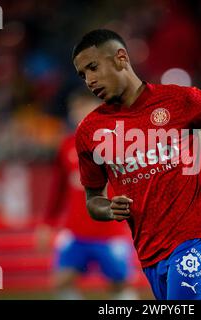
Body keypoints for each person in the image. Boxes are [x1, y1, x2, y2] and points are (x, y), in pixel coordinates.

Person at [72, 29, 201, 300]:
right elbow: (93, 198)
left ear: (120, 58)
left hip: (200, 236)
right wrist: (108, 208)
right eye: (83, 75)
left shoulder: (181, 100)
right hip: (151, 254)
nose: (90, 80)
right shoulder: (89, 132)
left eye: (93, 67)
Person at [35, 92, 137, 300]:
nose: (79, 113)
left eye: (84, 107)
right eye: (75, 109)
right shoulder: (66, 146)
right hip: (76, 231)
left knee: (119, 285)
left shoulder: (121, 143)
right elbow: (58, 190)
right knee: (61, 282)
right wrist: (47, 223)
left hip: (111, 232)